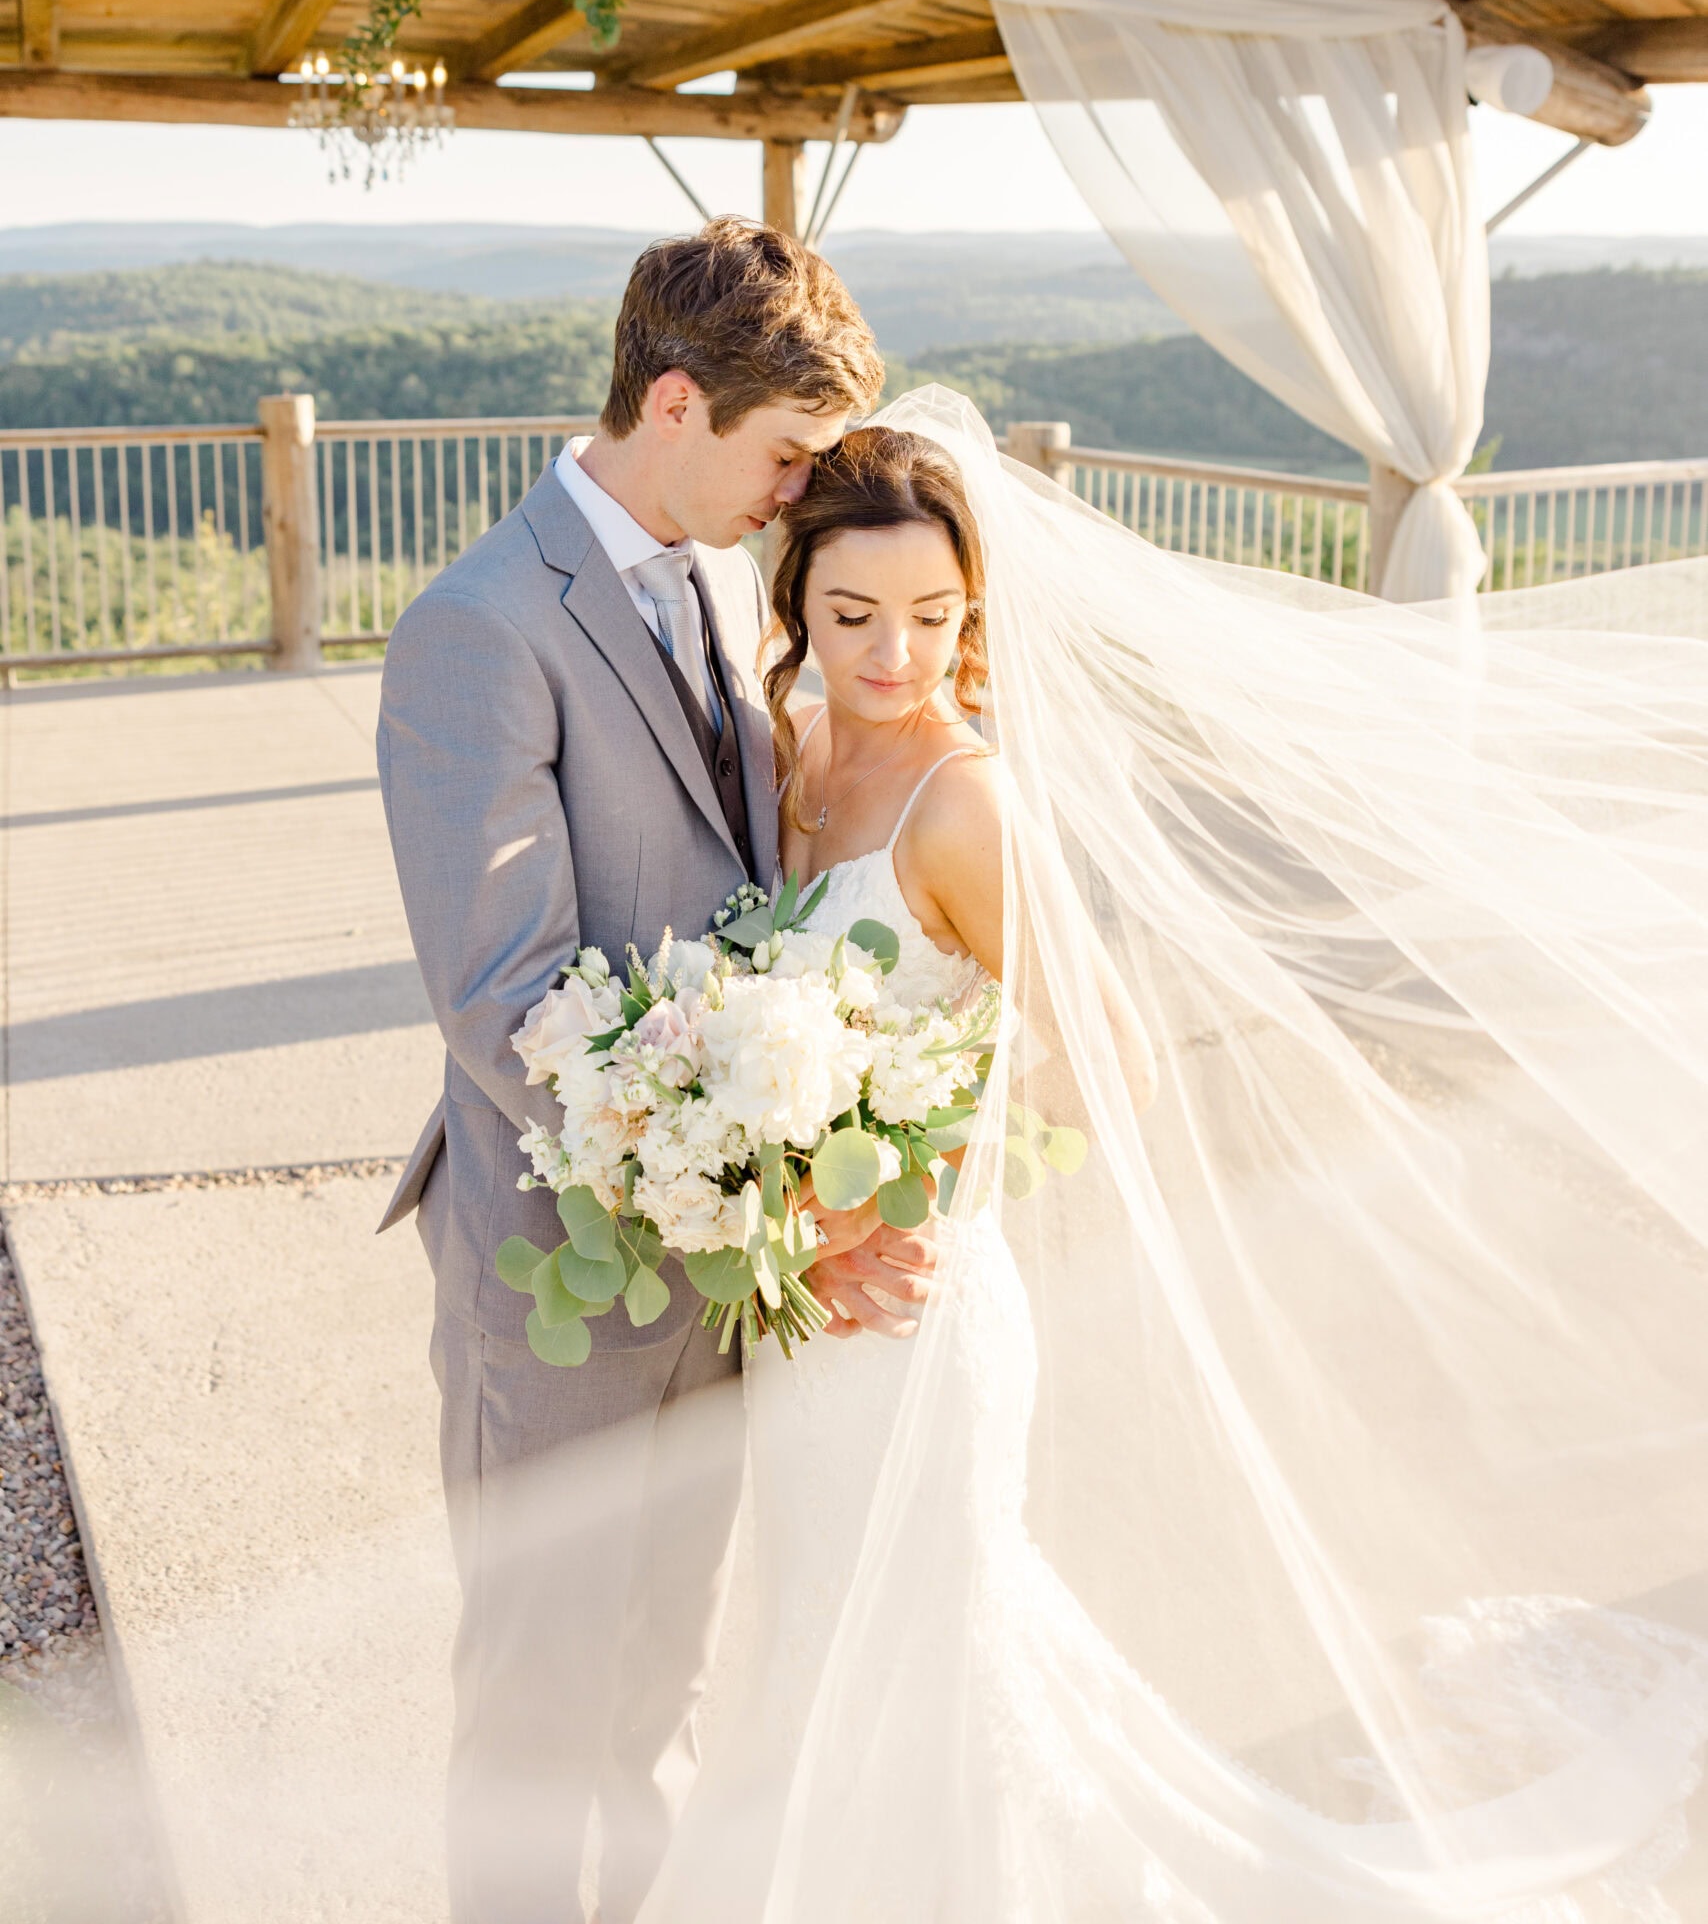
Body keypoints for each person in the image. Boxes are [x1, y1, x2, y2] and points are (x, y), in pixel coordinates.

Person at [639, 396, 1708, 1924]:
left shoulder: (965, 801)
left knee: (932, 1666)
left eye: (934, 618)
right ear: (797, 599)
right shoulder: (799, 755)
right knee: (814, 1645)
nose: (894, 655)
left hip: (917, 1325)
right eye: (856, 613)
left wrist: (903, 1195)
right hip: (805, 1331)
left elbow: (1111, 1063)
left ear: (972, 613)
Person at [375, 218, 910, 1924]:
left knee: (657, 1701)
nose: (795, 494)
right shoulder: (475, 627)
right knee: (537, 1723)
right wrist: (760, 1195)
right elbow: (507, 991)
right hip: (559, 1267)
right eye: (782, 455)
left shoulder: (717, 576)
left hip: (718, 1285)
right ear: (673, 402)